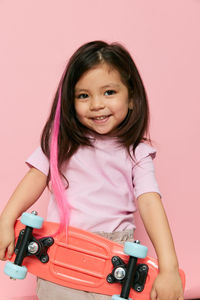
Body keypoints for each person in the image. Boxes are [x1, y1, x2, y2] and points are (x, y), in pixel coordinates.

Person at [0, 41, 184, 300]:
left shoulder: (137, 152)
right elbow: (36, 176)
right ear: (70, 101)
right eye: (83, 95)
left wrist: (169, 267)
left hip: (115, 260)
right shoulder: (62, 141)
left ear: (131, 97)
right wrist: (6, 219)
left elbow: (150, 202)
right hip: (61, 254)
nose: (97, 104)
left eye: (109, 92)